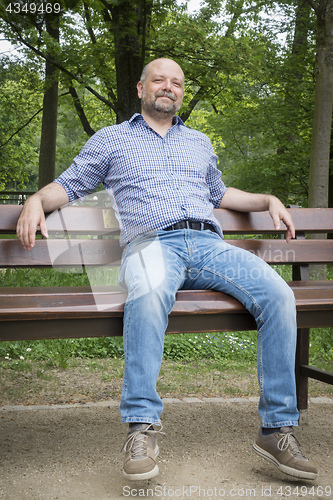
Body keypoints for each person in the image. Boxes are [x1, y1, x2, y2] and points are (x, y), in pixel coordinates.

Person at [16, 58, 317, 482]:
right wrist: (34, 201)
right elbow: (68, 185)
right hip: (152, 244)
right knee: (151, 290)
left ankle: (277, 430)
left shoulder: (198, 141)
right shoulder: (112, 140)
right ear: (141, 88)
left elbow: (220, 192)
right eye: (160, 80)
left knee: (278, 294)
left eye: (176, 83)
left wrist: (267, 199)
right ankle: (141, 427)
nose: (169, 87)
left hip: (211, 245)